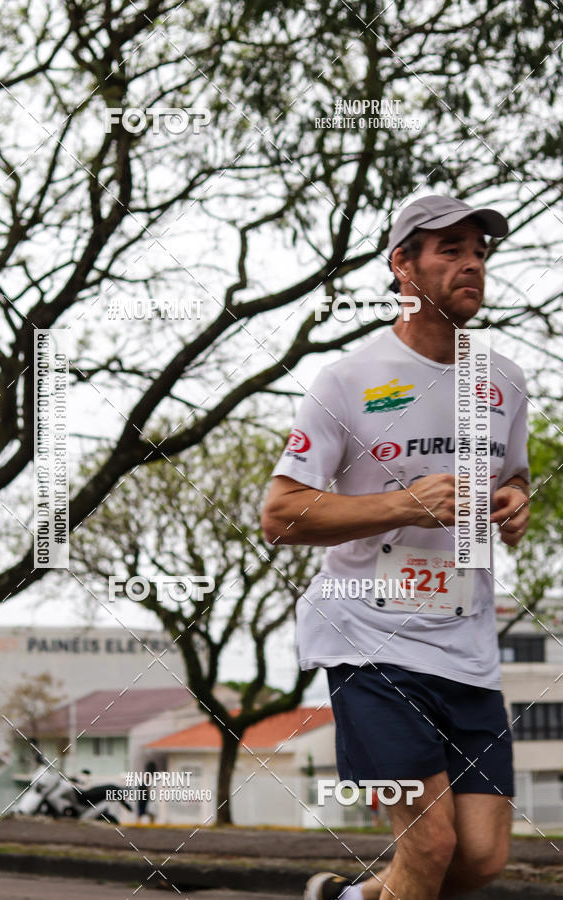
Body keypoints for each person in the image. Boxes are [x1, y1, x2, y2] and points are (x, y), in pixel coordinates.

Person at [261, 195, 530, 900]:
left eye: (479, 250)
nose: (471, 262)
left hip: (467, 646)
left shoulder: (503, 381)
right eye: (450, 249)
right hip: (368, 640)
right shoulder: (348, 381)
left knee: (478, 859)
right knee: (431, 842)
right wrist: (401, 505)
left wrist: (515, 500)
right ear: (402, 266)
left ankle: (351, 896)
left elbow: (515, 473)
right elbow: (280, 515)